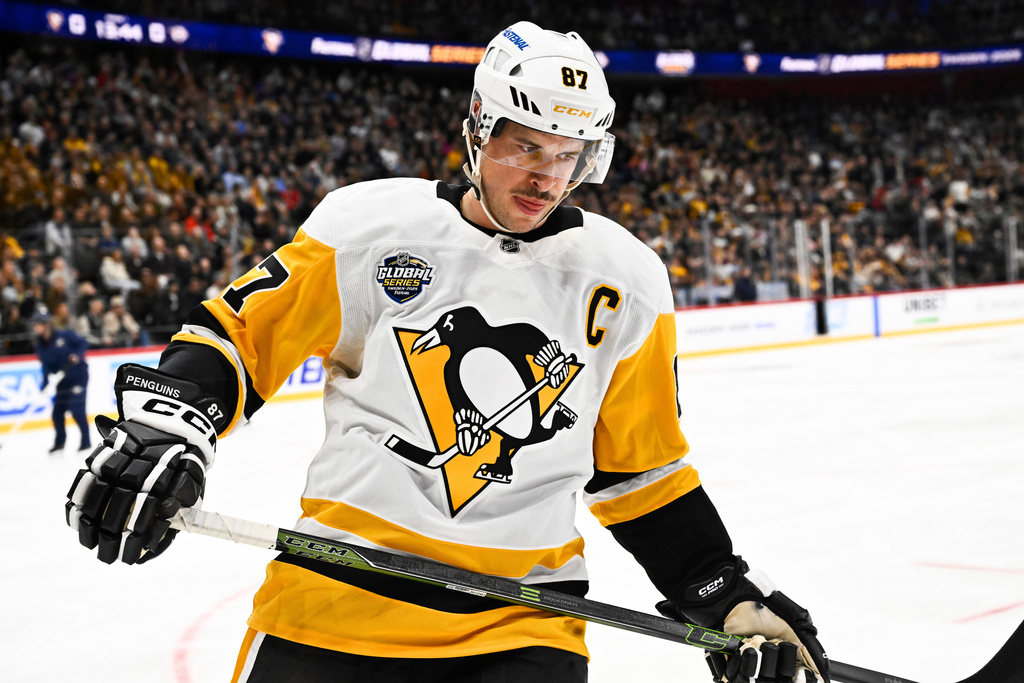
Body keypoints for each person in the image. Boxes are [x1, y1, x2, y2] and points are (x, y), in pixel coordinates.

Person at [64, 23, 828, 683]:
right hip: (333, 598)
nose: (545, 177)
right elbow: (236, 337)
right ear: (478, 129)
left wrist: (720, 589)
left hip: (522, 626)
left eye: (568, 154)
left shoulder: (626, 279)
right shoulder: (368, 227)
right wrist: (169, 422)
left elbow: (640, 470)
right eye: (526, 146)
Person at [33, 307, 90, 453]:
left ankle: (86, 441)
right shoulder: (40, 347)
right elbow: (46, 367)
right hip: (61, 381)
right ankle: (60, 442)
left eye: (38, 324)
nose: (35, 327)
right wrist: (44, 385)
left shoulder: (65, 335)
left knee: (76, 410)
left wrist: (77, 355)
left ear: (46, 324)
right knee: (57, 413)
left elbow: (83, 344)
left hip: (78, 377)